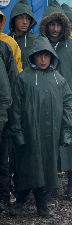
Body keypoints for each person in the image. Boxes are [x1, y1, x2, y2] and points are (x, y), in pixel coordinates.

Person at [8, 36, 72, 217]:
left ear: (52, 57)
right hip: (29, 135)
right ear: (33, 57)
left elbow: (68, 106)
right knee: (27, 169)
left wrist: (66, 133)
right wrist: (18, 134)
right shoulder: (24, 79)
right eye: (39, 56)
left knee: (47, 169)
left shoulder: (59, 80)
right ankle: (20, 201)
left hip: (50, 136)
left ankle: (42, 205)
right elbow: (16, 109)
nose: (43, 60)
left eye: (47, 56)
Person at [39, 0, 72, 200]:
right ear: (46, 25)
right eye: (51, 24)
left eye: (58, 25)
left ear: (64, 26)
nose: (55, 29)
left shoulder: (71, 47)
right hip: (46, 107)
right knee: (49, 149)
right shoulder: (40, 46)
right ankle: (51, 186)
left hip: (70, 106)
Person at [0, 40, 19, 212]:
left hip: (3, 113)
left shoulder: (5, 48)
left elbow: (12, 81)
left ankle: (3, 196)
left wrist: (10, 113)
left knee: (3, 159)